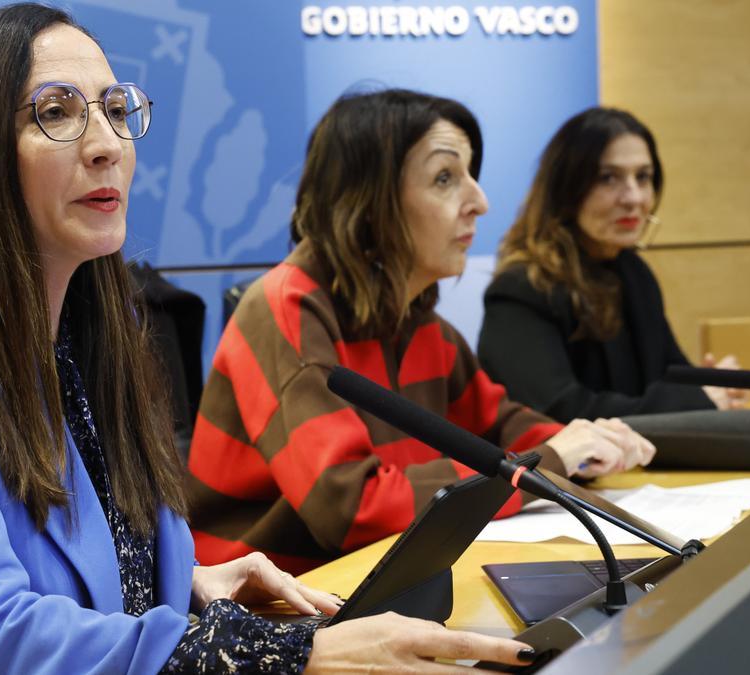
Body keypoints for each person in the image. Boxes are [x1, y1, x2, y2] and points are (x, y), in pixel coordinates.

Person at [0, 6, 538, 672]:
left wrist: (196, 584)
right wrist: (288, 653)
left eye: (113, 109)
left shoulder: (95, 338)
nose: (106, 142)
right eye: (57, 112)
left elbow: (93, 575)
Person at [187, 90, 655, 574]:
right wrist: (550, 459)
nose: (480, 202)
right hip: (273, 602)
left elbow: (500, 427)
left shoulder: (417, 320)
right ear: (368, 202)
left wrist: (583, 444)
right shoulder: (285, 309)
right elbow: (351, 510)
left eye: (471, 175)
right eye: (446, 178)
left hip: (383, 572)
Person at [478, 107, 750, 423]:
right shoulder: (523, 288)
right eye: (609, 178)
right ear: (566, 189)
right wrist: (696, 399)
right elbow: (561, 413)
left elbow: (670, 375)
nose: (633, 197)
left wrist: (715, 385)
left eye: (643, 177)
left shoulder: (633, 272)